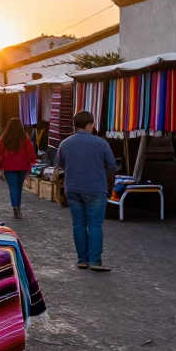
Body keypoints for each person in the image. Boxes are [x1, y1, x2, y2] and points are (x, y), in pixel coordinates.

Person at [56, 111, 118, 272]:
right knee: (95, 225)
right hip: (96, 189)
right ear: (89, 124)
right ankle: (95, 261)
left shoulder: (65, 143)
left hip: (73, 189)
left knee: (78, 224)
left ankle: (82, 260)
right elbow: (112, 167)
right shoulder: (101, 143)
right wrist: (110, 188)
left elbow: (60, 165)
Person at [0, 117, 37, 220]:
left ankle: (15, 208)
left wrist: (0, 166)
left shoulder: (4, 138)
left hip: (9, 167)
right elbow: (30, 152)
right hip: (22, 166)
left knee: (13, 188)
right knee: (19, 188)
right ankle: (17, 207)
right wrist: (31, 164)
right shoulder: (25, 137)